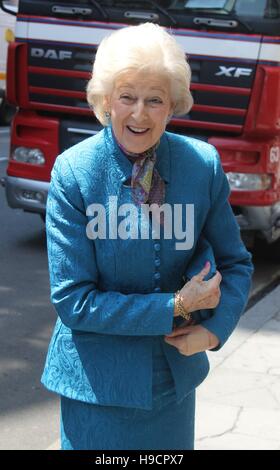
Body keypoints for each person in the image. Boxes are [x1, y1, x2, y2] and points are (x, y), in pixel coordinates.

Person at [41, 22, 254, 450]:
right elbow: (73, 301)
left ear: (172, 105)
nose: (140, 114)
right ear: (105, 102)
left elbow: (236, 263)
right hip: (96, 388)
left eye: (154, 100)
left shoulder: (201, 165)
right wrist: (175, 305)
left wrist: (214, 332)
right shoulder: (74, 172)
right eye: (127, 97)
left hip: (173, 384)